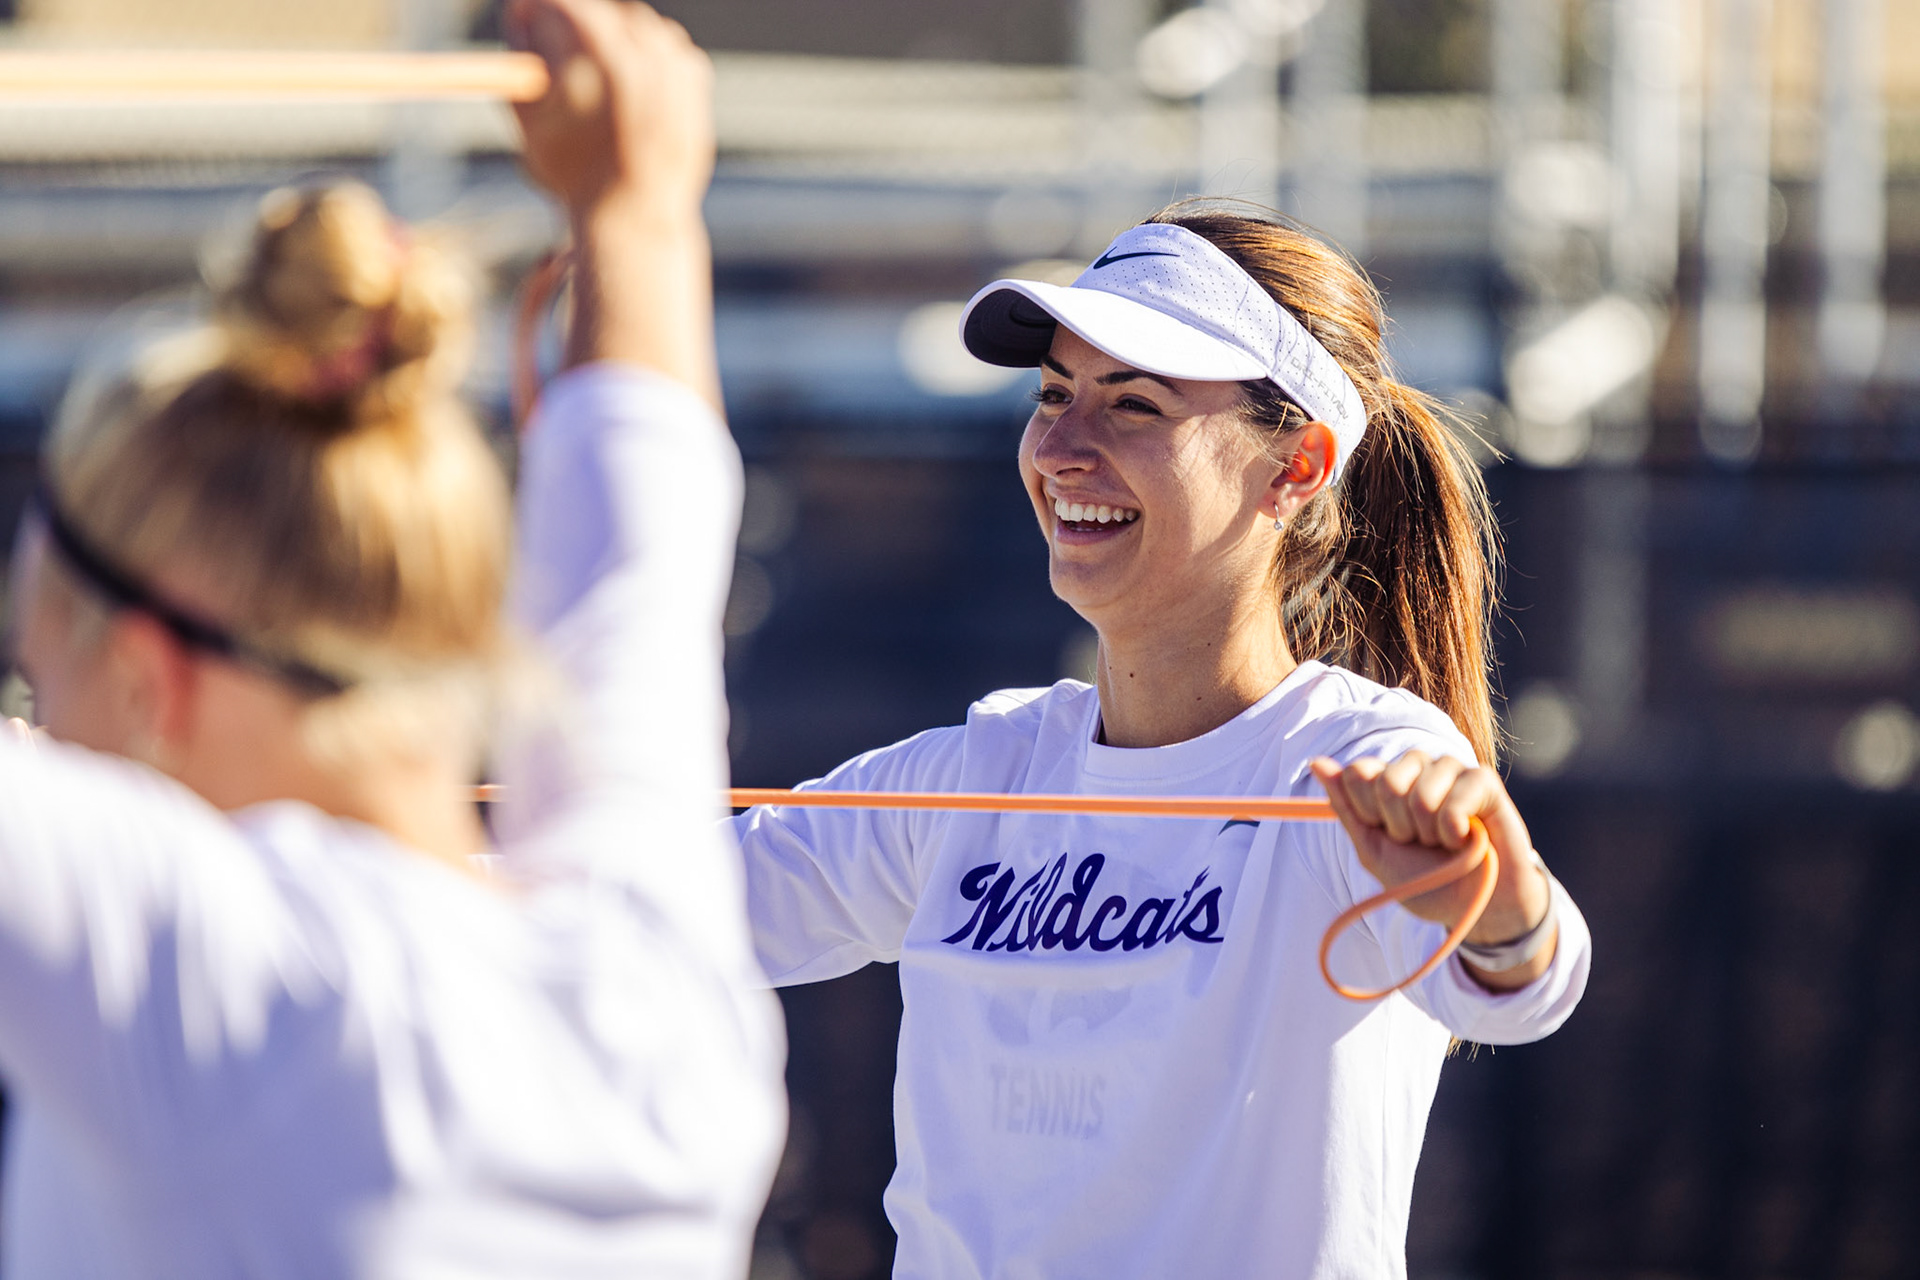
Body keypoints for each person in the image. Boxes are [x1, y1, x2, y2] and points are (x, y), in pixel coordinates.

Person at [0, 2, 783, 1275]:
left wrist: (636, 201)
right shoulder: (655, 991)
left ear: (148, 678)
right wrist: (635, 211)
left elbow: (641, 556)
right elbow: (636, 563)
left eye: (41, 672)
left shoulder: (208, 979)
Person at [734, 206, 1593, 1277]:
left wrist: (1502, 910)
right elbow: (657, 911)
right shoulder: (982, 770)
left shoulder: (1358, 753)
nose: (1060, 447)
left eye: (1133, 403)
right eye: (1053, 394)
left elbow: (1528, 979)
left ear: (1297, 466)